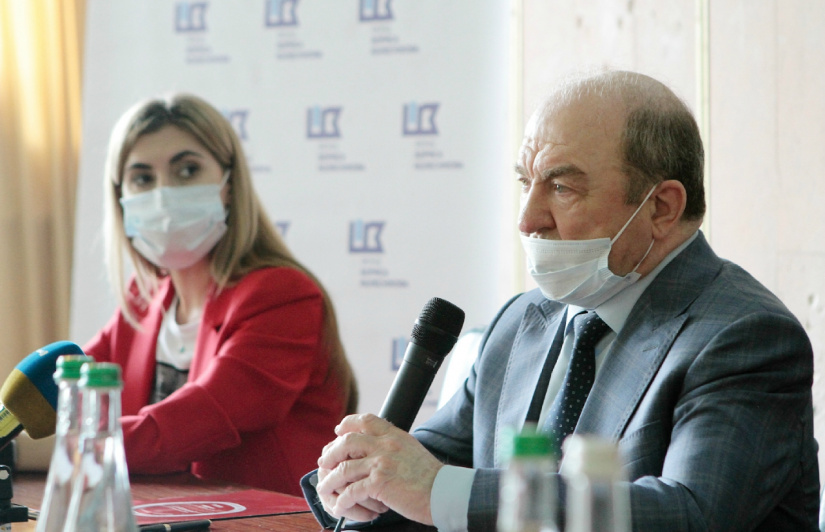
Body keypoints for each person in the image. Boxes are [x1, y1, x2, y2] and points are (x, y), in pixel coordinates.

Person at [310, 70, 820, 530]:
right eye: (525, 183)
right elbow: (424, 467)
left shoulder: (744, 335)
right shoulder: (521, 320)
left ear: (662, 208)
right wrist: (364, 481)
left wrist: (437, 490)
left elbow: (690, 513)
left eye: (560, 187)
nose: (527, 220)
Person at [82, 93, 357, 496]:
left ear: (229, 186)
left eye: (187, 170)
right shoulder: (143, 297)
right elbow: (68, 385)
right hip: (164, 513)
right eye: (142, 178)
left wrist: (76, 446)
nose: (164, 194)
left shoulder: (283, 296)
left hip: (271, 520)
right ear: (121, 198)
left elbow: (191, 423)